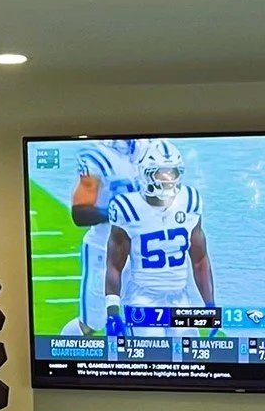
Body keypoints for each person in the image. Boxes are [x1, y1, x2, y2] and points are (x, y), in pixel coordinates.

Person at [104, 139, 213, 339]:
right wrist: (112, 311)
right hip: (143, 299)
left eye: (173, 172)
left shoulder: (189, 201)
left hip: (180, 300)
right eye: (160, 172)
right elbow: (114, 265)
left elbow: (199, 260)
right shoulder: (127, 208)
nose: (168, 179)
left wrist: (210, 305)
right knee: (153, 359)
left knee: (191, 363)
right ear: (145, 173)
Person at [61, 139, 140, 336]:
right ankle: (61, 361)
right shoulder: (97, 155)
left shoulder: (152, 150)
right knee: (90, 325)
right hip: (103, 249)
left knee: (140, 322)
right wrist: (117, 213)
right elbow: (80, 214)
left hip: (140, 251)